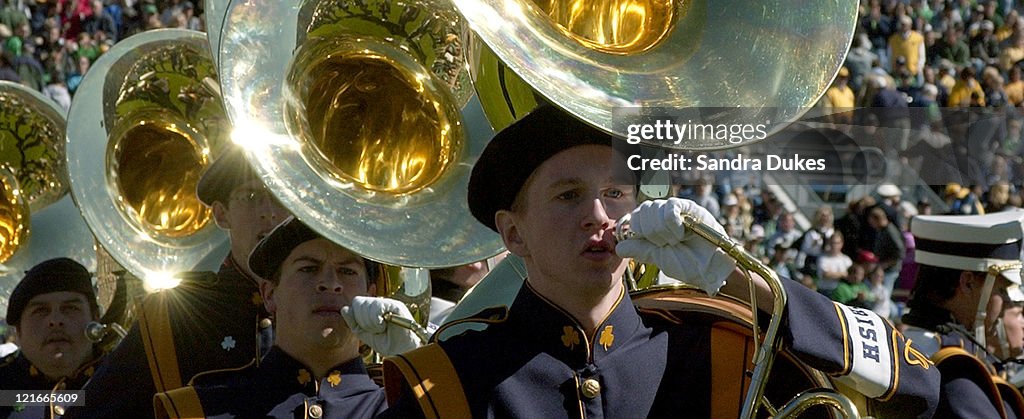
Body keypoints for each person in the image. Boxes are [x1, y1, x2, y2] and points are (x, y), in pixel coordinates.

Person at [382, 105, 939, 418]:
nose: (599, 214)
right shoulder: (444, 380)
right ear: (513, 232)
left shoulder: (718, 344)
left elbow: (917, 385)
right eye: (567, 195)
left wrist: (739, 279)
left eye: (617, 192)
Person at [74, 149, 288, 418]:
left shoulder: (335, 304)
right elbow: (89, 411)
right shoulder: (174, 315)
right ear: (222, 215)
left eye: (281, 197)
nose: (268, 212)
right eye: (252, 197)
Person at [155, 217, 416, 418]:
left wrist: (419, 373)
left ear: (372, 294)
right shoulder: (198, 410)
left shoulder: (410, 405)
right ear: (269, 294)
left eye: (347, 271)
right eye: (308, 269)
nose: (330, 283)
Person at [901, 211, 1024, 418]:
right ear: (967, 283)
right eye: (1001, 291)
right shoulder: (954, 369)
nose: (1004, 303)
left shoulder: (917, 345)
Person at [0, 259, 105, 419]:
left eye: (70, 308)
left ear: (95, 319)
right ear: (18, 329)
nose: (55, 320)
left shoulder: (130, 381)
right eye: (41, 310)